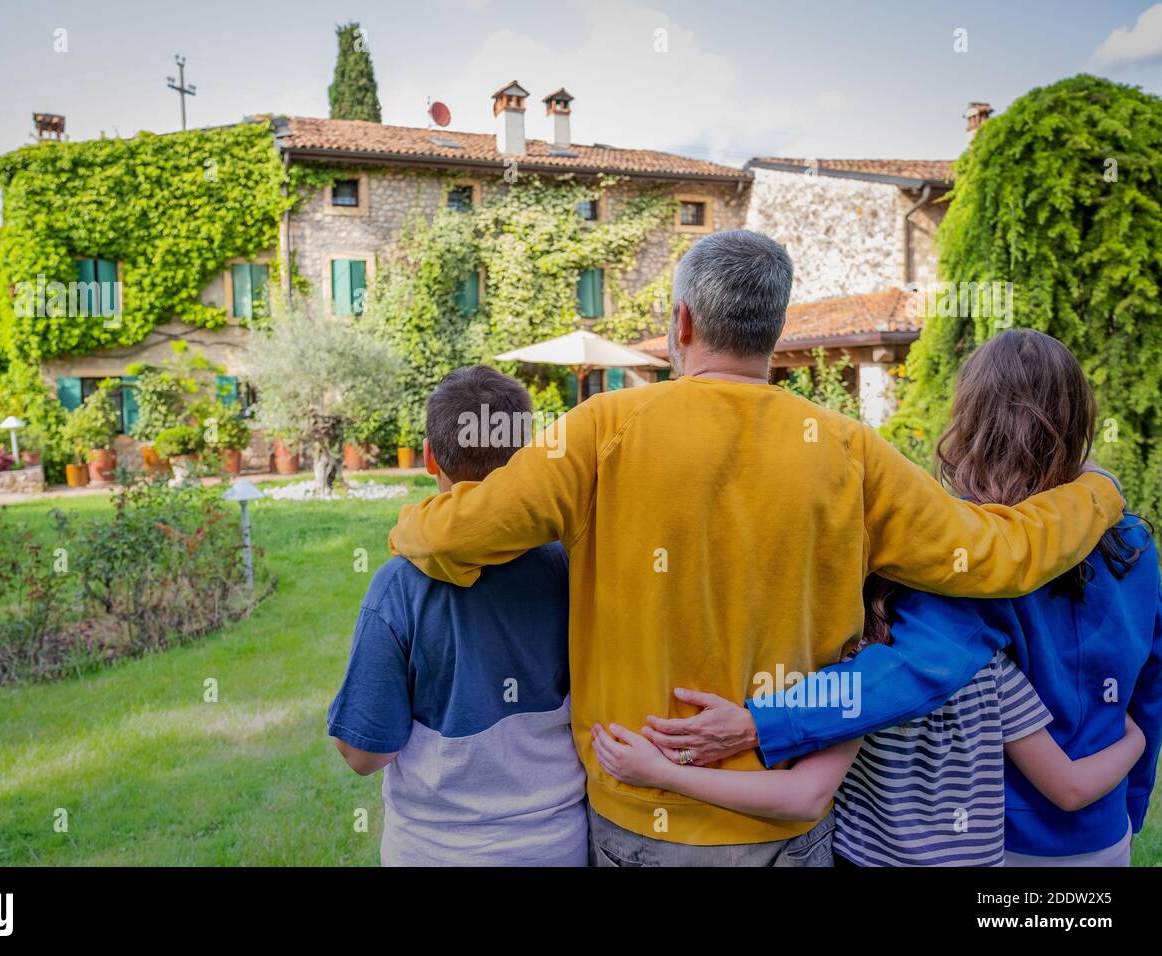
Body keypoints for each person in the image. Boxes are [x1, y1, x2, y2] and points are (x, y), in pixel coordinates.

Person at [388, 231, 1125, 866]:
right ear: (773, 333)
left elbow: (461, 535)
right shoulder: (847, 449)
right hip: (789, 809)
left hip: (644, 804)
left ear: (682, 322)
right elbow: (996, 556)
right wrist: (1097, 493)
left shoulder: (600, 428)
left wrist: (406, 529)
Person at [642, 330, 1160, 867]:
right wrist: (1133, 803)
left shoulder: (971, 548)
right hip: (1103, 829)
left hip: (1009, 836)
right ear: (1078, 419)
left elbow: (909, 671)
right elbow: (1148, 687)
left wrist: (761, 722)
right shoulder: (1135, 545)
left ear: (971, 420)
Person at [592, 573, 1148, 866]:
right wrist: (1136, 738)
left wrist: (663, 775)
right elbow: (1069, 788)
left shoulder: (858, 682)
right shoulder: (991, 666)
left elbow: (803, 797)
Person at [327, 366, 585, 866]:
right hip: (557, 843)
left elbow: (365, 754)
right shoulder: (572, 563)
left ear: (428, 456)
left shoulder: (398, 586)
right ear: (527, 456)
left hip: (434, 849)